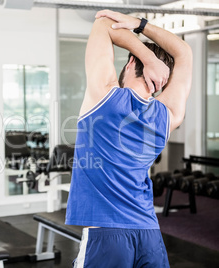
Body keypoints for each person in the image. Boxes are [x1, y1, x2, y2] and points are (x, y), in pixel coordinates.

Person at [65, 10, 192, 268]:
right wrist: (140, 25)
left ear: (130, 63)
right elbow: (185, 53)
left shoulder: (104, 97)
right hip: (148, 233)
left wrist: (146, 54)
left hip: (106, 232)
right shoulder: (168, 116)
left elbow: (103, 24)